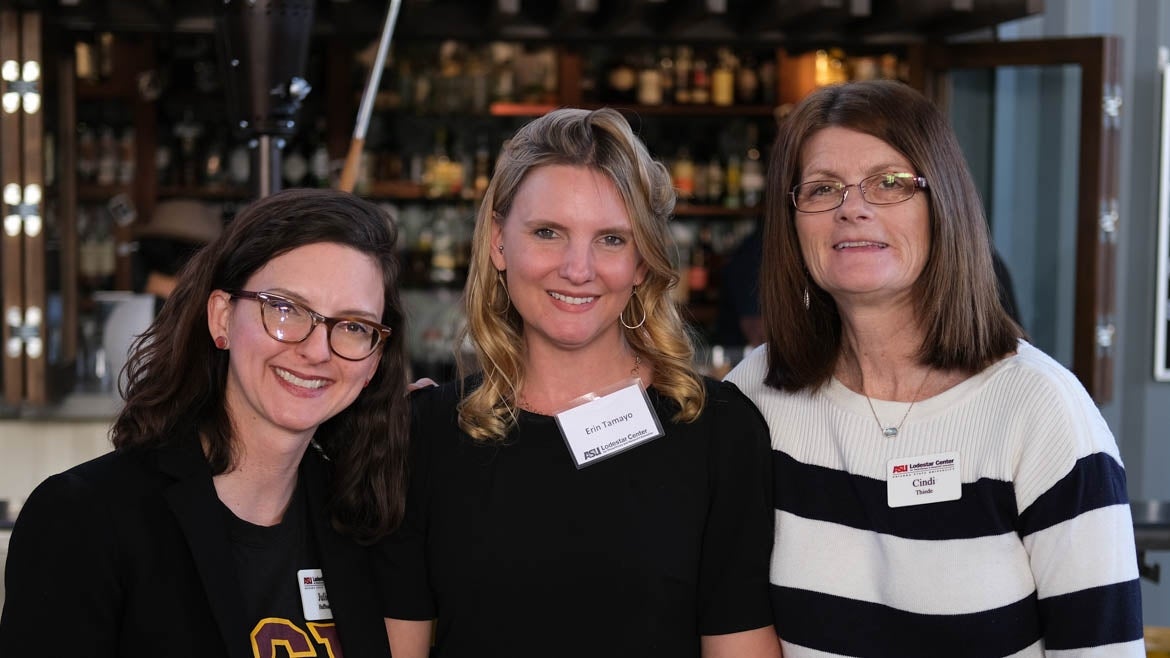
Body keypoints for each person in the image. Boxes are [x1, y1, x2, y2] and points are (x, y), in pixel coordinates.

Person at [725, 79, 1143, 657]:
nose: (853, 209)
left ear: (942, 202)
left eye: (889, 182)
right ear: (792, 222)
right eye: (822, 189)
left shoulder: (1042, 410)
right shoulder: (756, 393)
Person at [377, 107, 779, 658]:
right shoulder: (425, 436)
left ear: (643, 261)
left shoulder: (719, 433)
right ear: (498, 241)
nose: (577, 268)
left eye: (612, 239)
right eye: (548, 232)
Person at [0, 188, 410, 658]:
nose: (317, 350)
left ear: (375, 360)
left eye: (355, 326)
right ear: (221, 318)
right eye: (284, 308)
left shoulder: (364, 518)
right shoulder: (86, 519)